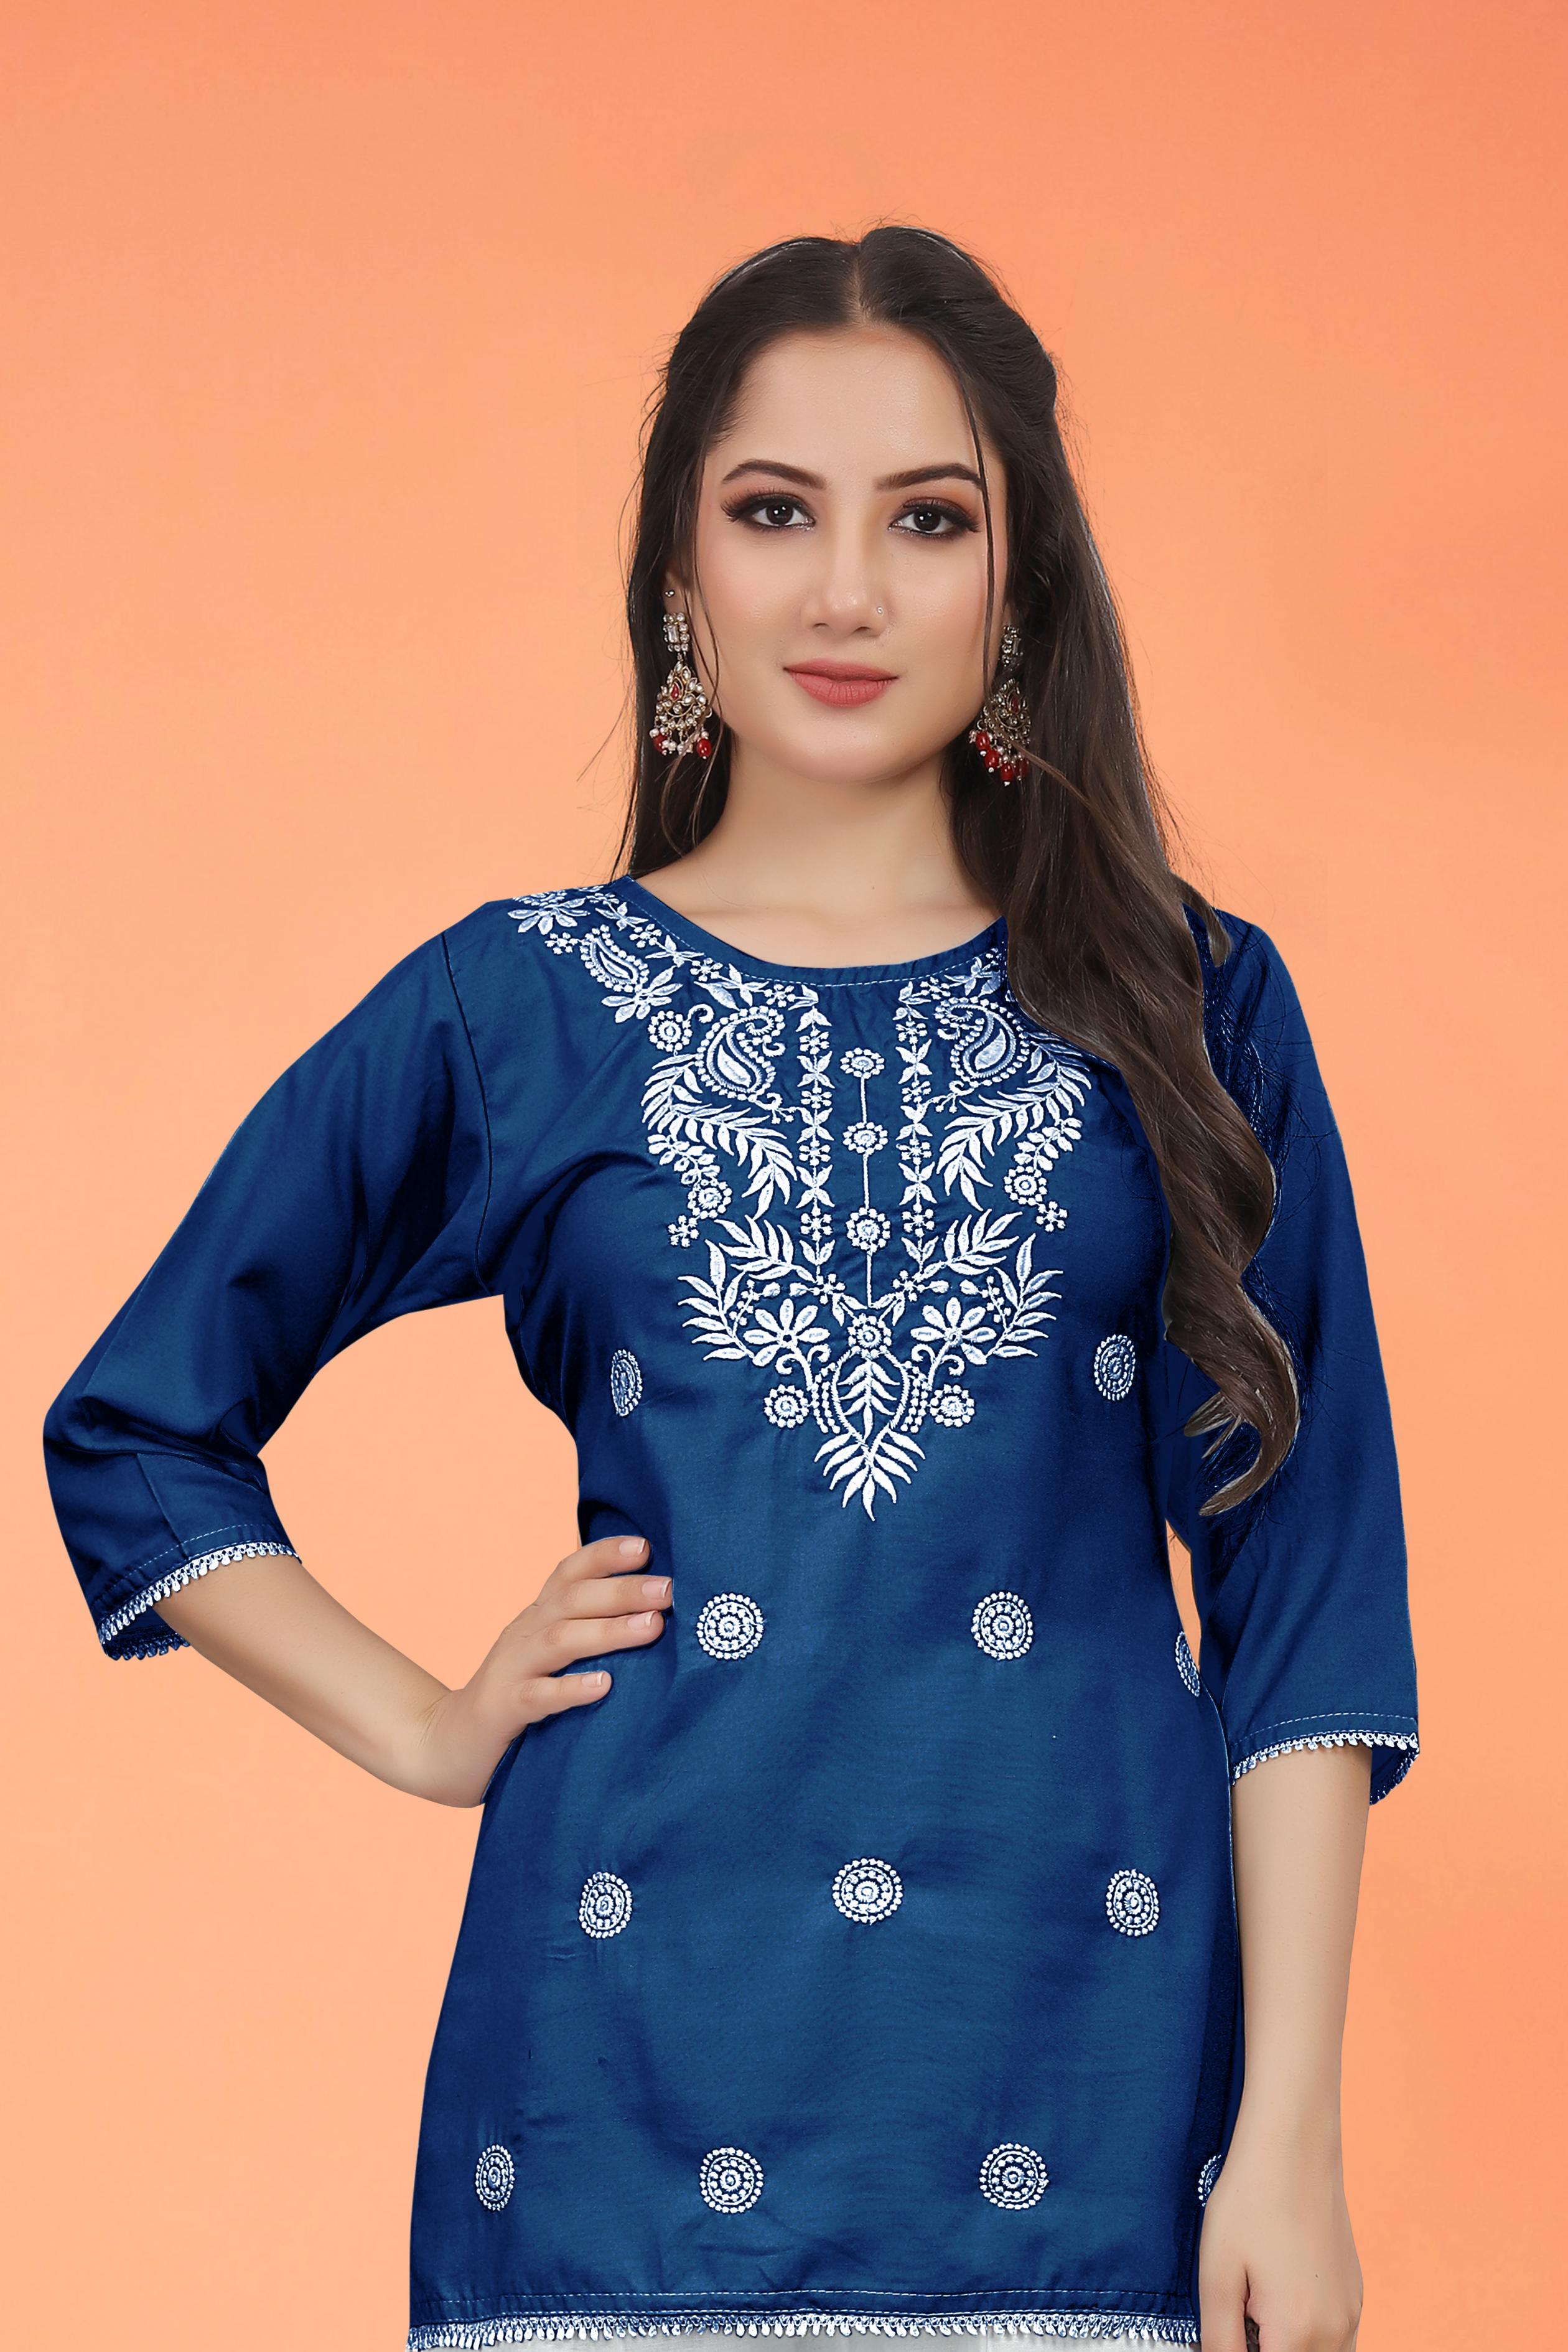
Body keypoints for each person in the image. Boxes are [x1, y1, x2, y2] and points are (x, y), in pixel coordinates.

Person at [42, 227, 1419, 2352]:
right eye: (776, 512)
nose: (845, 591)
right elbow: (141, 1420)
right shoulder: (525, 1007)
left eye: (928, 519)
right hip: (614, 2120)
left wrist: (1294, 2137)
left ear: (1023, 585)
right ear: (681, 575)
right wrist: (424, 1723)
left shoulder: (1194, 1005)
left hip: (1092, 2107)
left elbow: (1303, 1580)